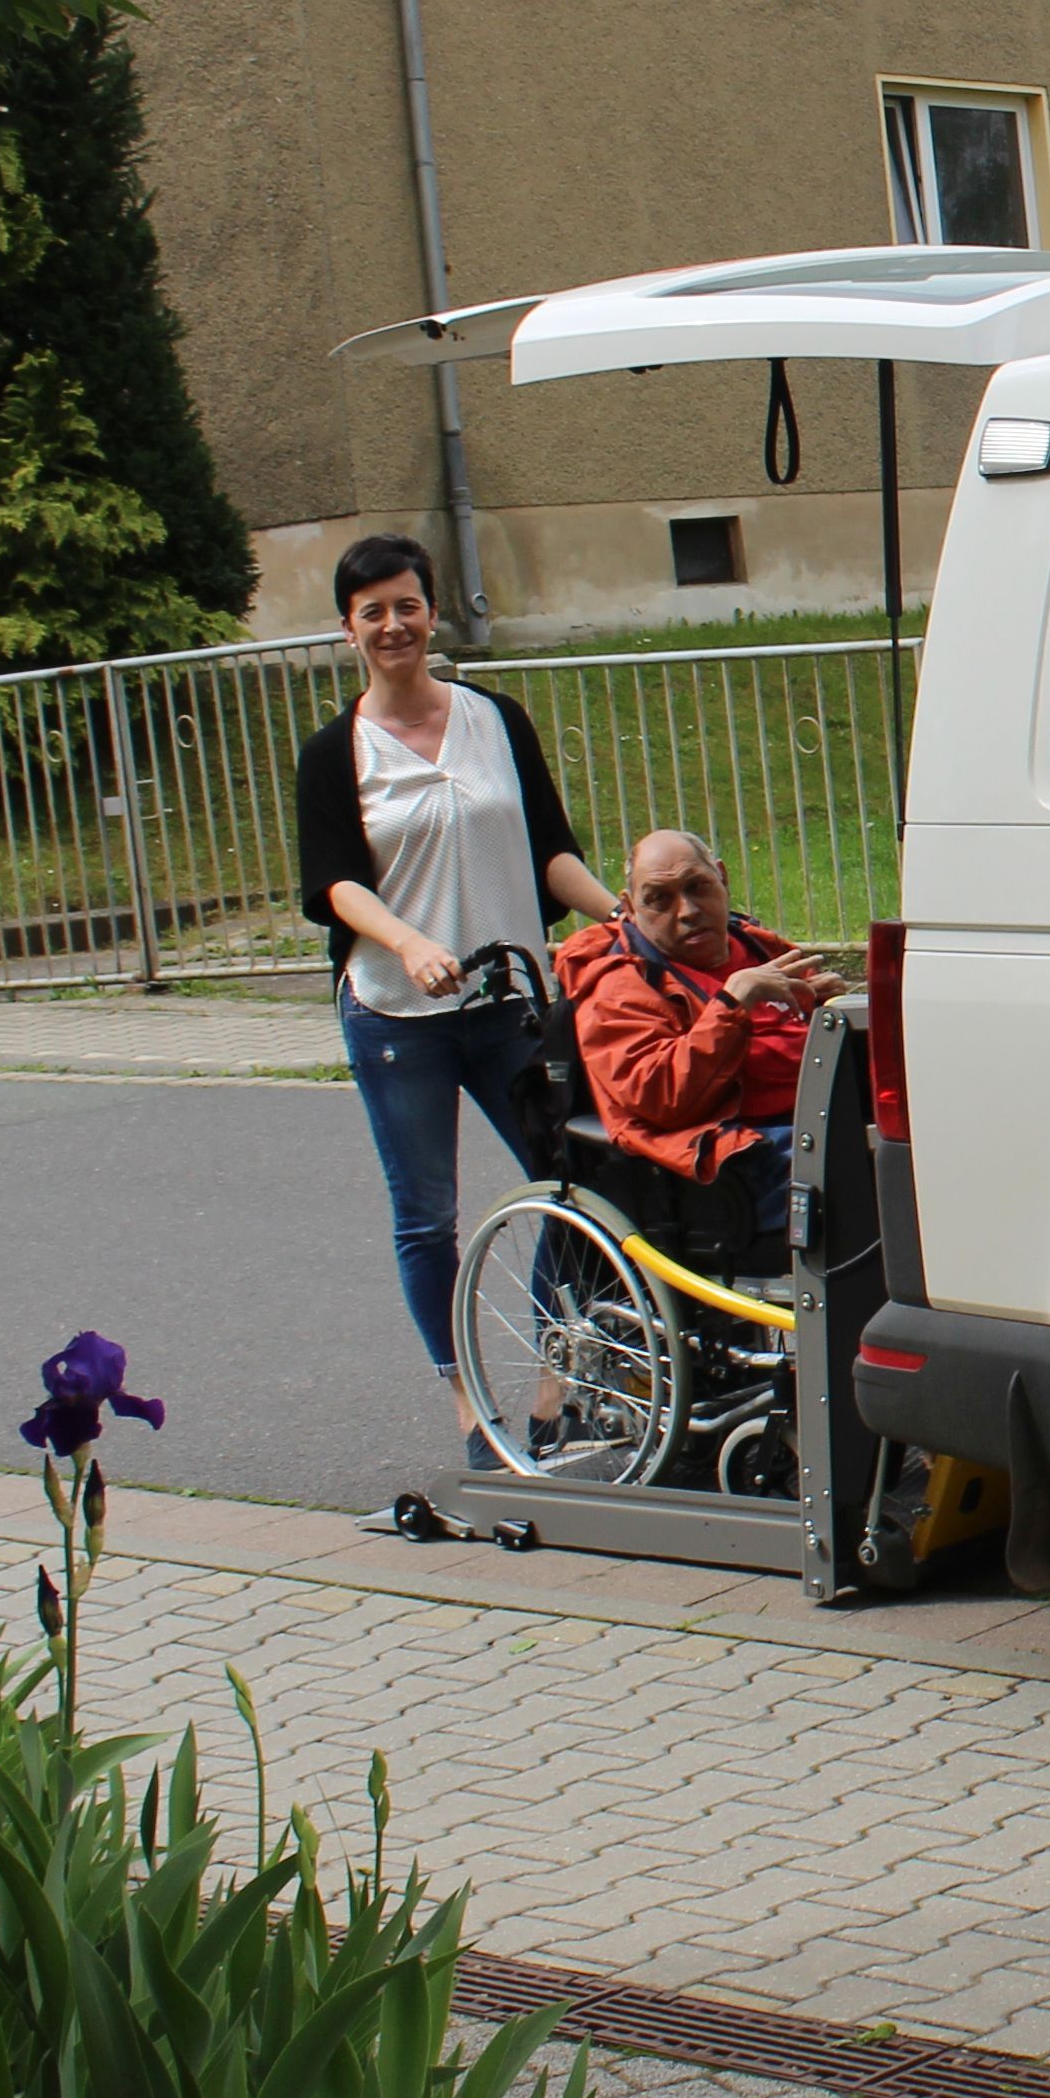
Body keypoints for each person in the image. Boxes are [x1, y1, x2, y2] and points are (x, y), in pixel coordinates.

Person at [293, 536, 617, 1453]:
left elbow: (549, 850)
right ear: (348, 630)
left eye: (407, 605)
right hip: (399, 1015)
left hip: (512, 1003)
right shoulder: (334, 753)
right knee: (427, 1214)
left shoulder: (496, 720)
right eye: (372, 612)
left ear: (432, 612)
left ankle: (557, 1383)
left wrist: (622, 913)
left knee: (577, 1179)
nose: (393, 625)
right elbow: (334, 883)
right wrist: (409, 941)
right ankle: (470, 1404)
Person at [559, 831, 843, 1236]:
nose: (688, 911)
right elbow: (661, 1097)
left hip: (821, 1117)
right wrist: (733, 1003)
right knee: (869, 1176)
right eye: (659, 898)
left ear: (722, 879)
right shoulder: (620, 985)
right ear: (629, 908)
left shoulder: (757, 946)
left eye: (698, 887)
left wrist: (832, 1013)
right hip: (738, 1156)